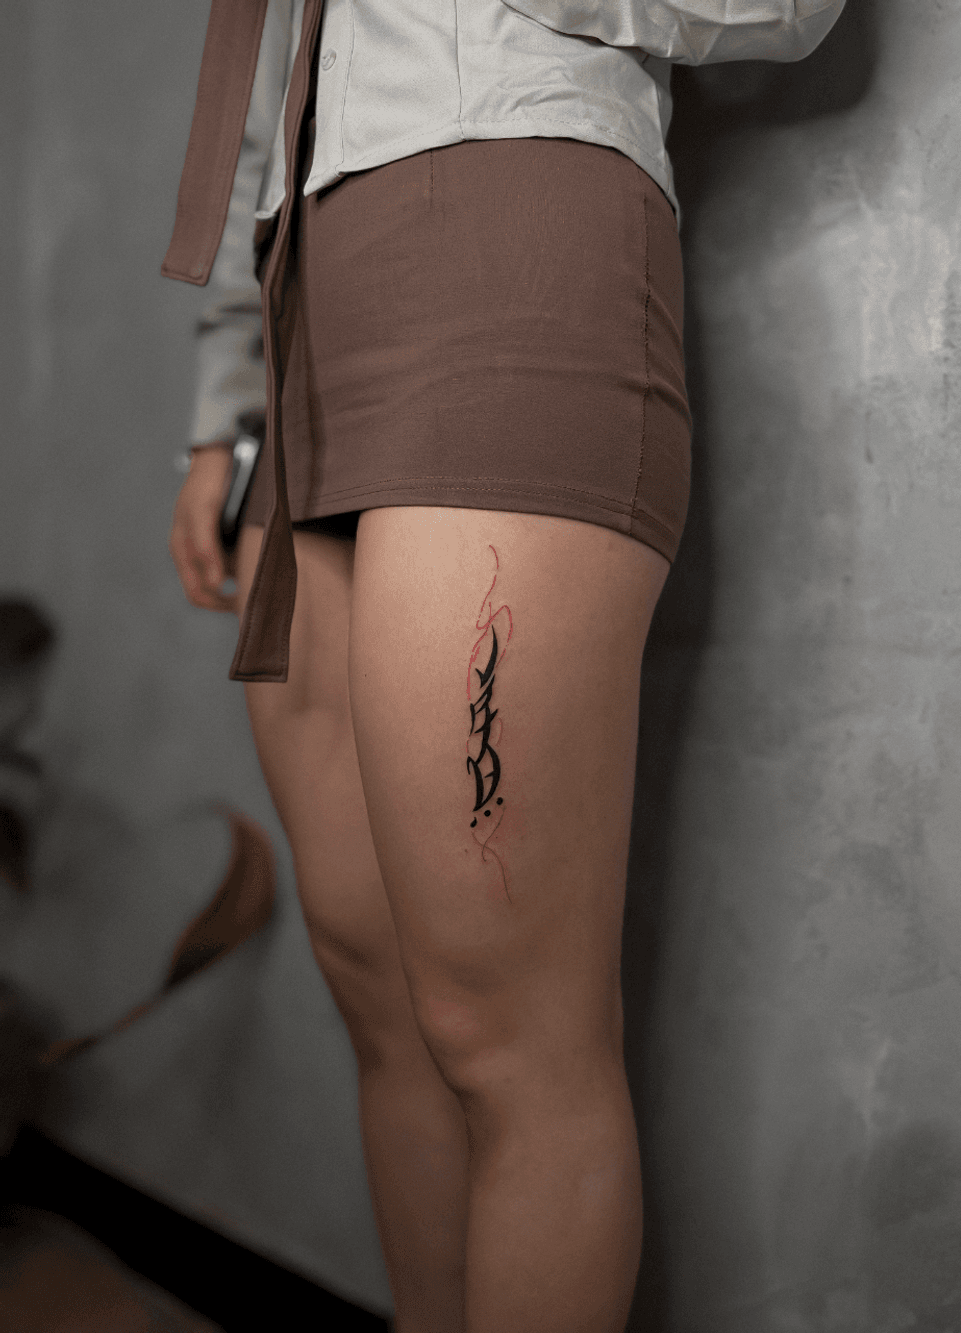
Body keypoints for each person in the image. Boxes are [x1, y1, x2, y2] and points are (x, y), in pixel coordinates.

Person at [164, 2, 845, 1329]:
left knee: (503, 1031)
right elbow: (269, 87)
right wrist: (226, 404)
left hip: (513, 229)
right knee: (381, 1000)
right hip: (307, 309)